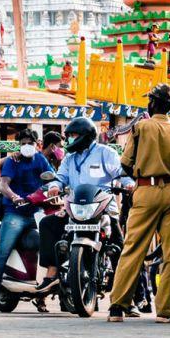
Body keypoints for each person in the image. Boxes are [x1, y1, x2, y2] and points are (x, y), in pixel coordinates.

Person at [107, 84, 170, 323]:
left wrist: (140, 174)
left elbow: (125, 163)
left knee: (134, 248)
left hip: (145, 189)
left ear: (153, 103)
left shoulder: (141, 127)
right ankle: (165, 312)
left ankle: (117, 307)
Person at [39, 116, 122, 292]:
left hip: (103, 208)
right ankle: (52, 272)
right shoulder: (69, 158)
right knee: (47, 223)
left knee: (119, 244)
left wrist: (127, 183)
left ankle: (133, 294)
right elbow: (60, 178)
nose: (69, 140)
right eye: (68, 136)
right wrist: (54, 186)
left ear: (85, 135)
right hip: (76, 209)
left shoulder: (106, 153)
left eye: (73, 135)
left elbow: (120, 174)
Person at [0, 127, 53, 312]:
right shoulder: (12, 161)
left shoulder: (41, 159)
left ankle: (41, 296)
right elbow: (3, 185)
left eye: (30, 144)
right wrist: (14, 197)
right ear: (19, 146)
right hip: (14, 213)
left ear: (37, 145)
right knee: (3, 252)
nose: (27, 147)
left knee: (47, 250)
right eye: (23, 144)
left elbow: (53, 179)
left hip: (37, 212)